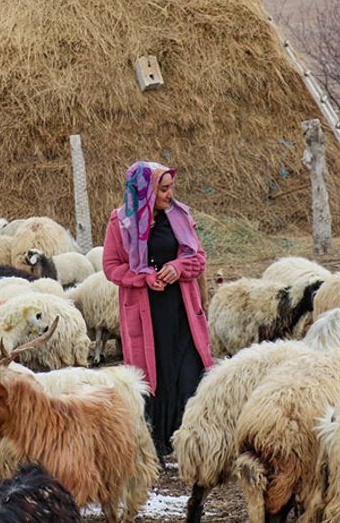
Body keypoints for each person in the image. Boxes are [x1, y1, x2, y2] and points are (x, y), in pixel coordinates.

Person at [102, 161, 214, 462]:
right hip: (146, 313)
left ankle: (189, 441)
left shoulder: (180, 217)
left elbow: (198, 258)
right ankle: (157, 446)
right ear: (145, 192)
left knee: (189, 370)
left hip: (181, 309)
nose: (169, 194)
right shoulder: (121, 223)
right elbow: (111, 267)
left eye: (170, 188)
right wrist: (144, 277)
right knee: (154, 374)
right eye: (163, 189)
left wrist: (178, 268)